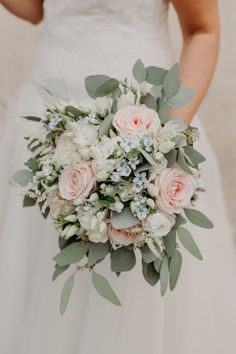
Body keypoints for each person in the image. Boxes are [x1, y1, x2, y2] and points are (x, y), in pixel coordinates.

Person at [0, 1, 235, 353]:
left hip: (145, 129)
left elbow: (203, 30)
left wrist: (160, 142)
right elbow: (36, 8)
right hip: (44, 129)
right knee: (37, 287)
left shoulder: (155, 140)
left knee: (130, 301)